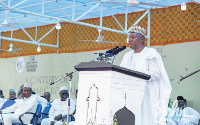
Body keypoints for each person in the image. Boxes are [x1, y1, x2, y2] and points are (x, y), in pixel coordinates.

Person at [120, 25, 172, 125]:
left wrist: (136, 75)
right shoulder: (127, 56)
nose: (130, 40)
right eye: (129, 38)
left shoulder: (151, 53)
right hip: (129, 95)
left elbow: (155, 73)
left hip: (146, 94)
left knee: (145, 119)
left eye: (133, 37)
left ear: (142, 39)